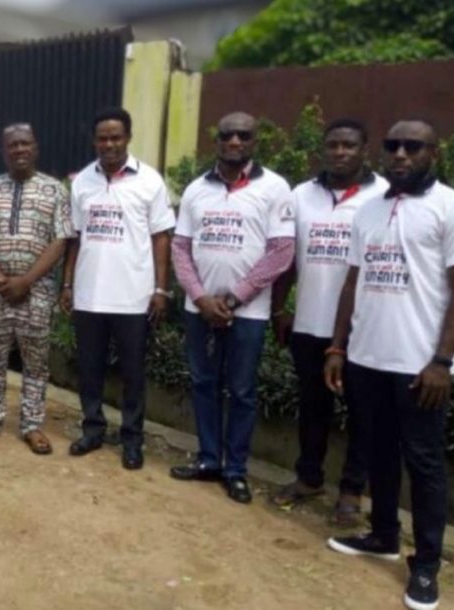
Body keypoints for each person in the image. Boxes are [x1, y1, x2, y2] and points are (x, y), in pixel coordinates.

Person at [325, 119, 454, 610]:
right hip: (367, 358)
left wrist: (441, 360)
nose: (400, 154)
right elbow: (353, 283)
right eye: (392, 145)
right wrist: (337, 347)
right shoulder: (369, 211)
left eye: (411, 146)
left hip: (420, 367)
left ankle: (428, 564)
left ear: (432, 152)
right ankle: (384, 536)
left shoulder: (453, 209)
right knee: (378, 451)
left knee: (425, 462)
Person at [169, 112, 295, 504]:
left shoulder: (275, 188)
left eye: (244, 135)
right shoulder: (195, 190)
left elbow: (281, 252)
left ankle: (236, 469)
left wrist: (234, 297)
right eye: (227, 135)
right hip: (200, 309)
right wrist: (201, 298)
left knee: (240, 391)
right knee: (204, 384)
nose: (235, 141)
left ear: (255, 141)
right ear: (217, 140)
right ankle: (209, 460)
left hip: (248, 314)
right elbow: (180, 247)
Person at [269, 119, 387, 525]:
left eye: (349, 145)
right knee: (312, 407)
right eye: (333, 145)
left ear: (364, 149)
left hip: (362, 329)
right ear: (323, 149)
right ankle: (308, 478)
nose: (340, 152)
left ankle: (352, 491)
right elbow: (287, 259)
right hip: (308, 324)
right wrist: (279, 308)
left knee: (361, 413)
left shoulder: (383, 195)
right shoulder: (303, 195)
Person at [60, 107, 176, 470]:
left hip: (133, 297)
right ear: (94, 141)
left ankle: (131, 439)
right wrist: (67, 284)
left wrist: (161, 289)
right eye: (102, 138)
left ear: (127, 137)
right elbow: (75, 239)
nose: (109, 144)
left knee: (132, 373)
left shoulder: (150, 181)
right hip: (90, 296)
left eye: (116, 137)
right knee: (90, 369)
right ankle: (93, 429)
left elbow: (161, 238)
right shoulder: (82, 182)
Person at [0, 124, 72, 454]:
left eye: (26, 143)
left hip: (36, 294)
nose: (20, 150)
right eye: (13, 145)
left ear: (35, 148)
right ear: (3, 151)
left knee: (36, 363)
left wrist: (26, 280)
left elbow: (61, 240)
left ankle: (32, 425)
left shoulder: (55, 191)